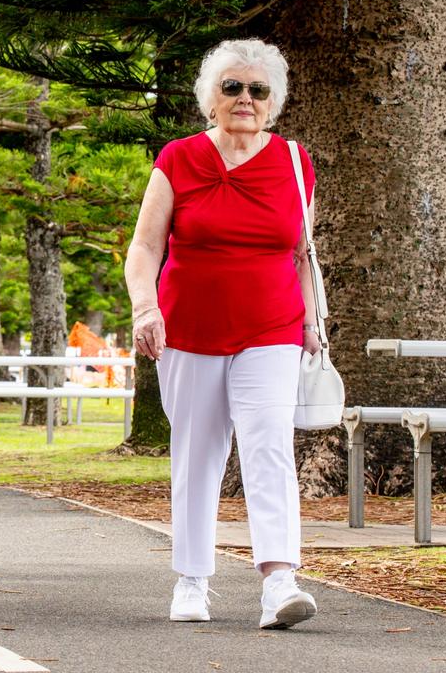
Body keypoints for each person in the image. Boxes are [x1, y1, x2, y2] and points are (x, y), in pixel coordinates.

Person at [124, 39, 319, 629]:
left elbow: (303, 251)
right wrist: (143, 309)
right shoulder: (179, 159)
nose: (244, 99)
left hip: (272, 326)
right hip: (189, 328)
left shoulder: (292, 161)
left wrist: (311, 320)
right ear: (209, 99)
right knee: (197, 453)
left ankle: (279, 581)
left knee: (268, 448)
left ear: (273, 102)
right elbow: (144, 247)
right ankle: (192, 579)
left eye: (257, 90)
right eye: (231, 87)